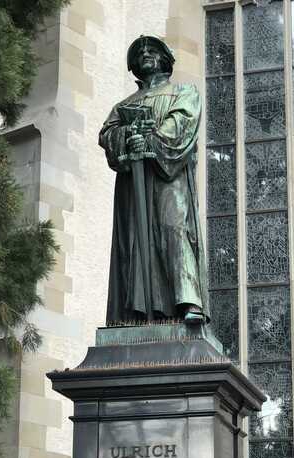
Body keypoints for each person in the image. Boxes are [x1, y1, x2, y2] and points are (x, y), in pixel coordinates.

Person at [99, 35, 209, 325]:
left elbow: (182, 123)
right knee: (134, 241)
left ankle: (188, 302)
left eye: (152, 50)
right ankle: (136, 312)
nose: (145, 53)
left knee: (174, 228)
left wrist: (150, 139)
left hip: (168, 177)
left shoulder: (184, 92)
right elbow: (107, 135)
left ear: (165, 59)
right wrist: (127, 137)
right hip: (132, 184)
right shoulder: (123, 105)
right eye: (140, 52)